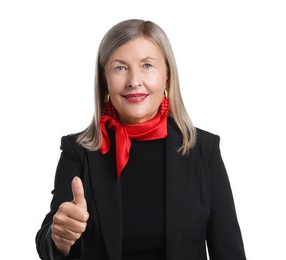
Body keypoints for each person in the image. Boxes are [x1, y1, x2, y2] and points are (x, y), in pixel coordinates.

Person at [35, 19, 247, 260]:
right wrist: (60, 237)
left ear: (167, 75)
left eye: (147, 65)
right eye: (120, 68)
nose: (134, 81)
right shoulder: (78, 151)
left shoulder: (204, 150)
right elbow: (47, 242)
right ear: (105, 79)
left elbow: (229, 252)